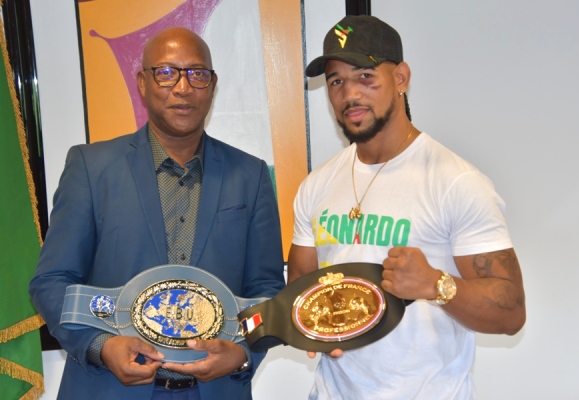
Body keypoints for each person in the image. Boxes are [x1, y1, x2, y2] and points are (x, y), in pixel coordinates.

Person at [29, 27, 285, 399]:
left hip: (214, 390)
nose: (183, 87)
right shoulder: (91, 167)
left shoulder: (250, 174)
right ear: (142, 83)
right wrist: (101, 346)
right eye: (166, 73)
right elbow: (52, 282)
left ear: (213, 85)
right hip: (109, 388)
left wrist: (243, 352)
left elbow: (267, 292)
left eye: (197, 74)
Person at [288, 15, 526, 399]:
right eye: (336, 81)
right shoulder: (317, 185)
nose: (349, 94)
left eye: (365, 76)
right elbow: (301, 287)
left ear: (401, 78)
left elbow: (512, 312)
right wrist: (309, 329)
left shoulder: (455, 182)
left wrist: (437, 285)